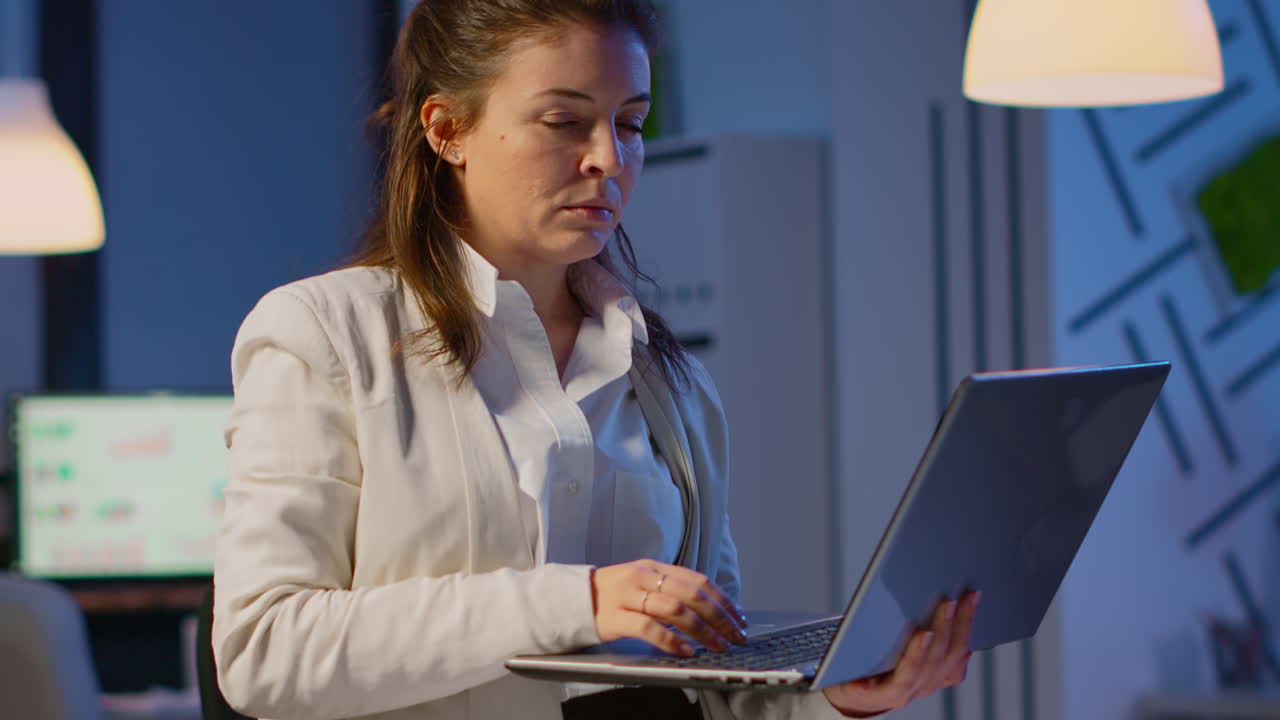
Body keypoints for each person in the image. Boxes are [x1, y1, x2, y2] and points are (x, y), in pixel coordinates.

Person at [211, 1, 978, 718]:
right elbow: (264, 649)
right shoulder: (322, 334)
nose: (609, 158)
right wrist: (575, 603)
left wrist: (843, 698)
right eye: (563, 121)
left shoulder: (671, 383)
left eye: (631, 123)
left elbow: (715, 681)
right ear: (447, 129)